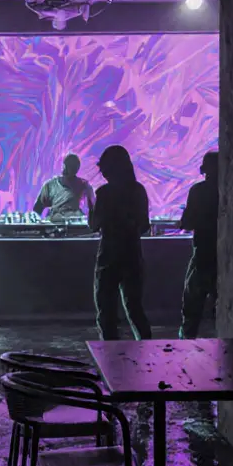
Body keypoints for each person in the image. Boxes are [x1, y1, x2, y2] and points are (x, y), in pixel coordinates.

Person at [88, 145, 153, 340]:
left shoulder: (104, 193)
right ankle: (148, 354)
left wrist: (91, 209)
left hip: (108, 257)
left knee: (106, 313)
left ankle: (109, 358)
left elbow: (94, 225)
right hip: (133, 255)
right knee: (135, 310)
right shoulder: (138, 190)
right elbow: (144, 225)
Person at [179, 151, 219, 339]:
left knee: (191, 309)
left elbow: (187, 223)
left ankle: (184, 349)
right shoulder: (230, 189)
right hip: (225, 257)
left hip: (202, 254)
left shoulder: (198, 191)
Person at [33, 154, 94, 219]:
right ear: (63, 166)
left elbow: (93, 209)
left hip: (76, 225)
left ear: (76, 169)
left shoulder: (84, 186)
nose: (66, 170)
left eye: (71, 167)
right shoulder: (50, 186)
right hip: (55, 224)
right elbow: (37, 210)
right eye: (66, 166)